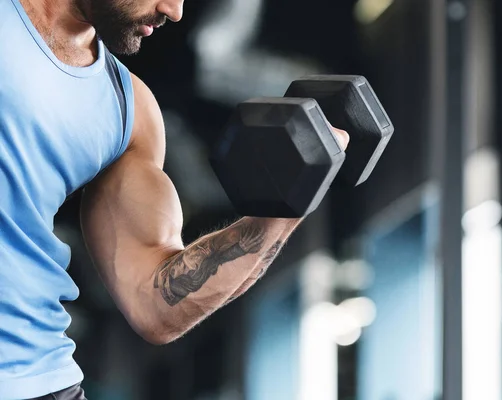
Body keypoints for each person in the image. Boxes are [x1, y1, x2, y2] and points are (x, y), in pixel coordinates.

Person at [0, 0, 350, 398]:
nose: (174, 10)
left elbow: (154, 303)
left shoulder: (126, 111)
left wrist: (285, 206)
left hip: (39, 383)